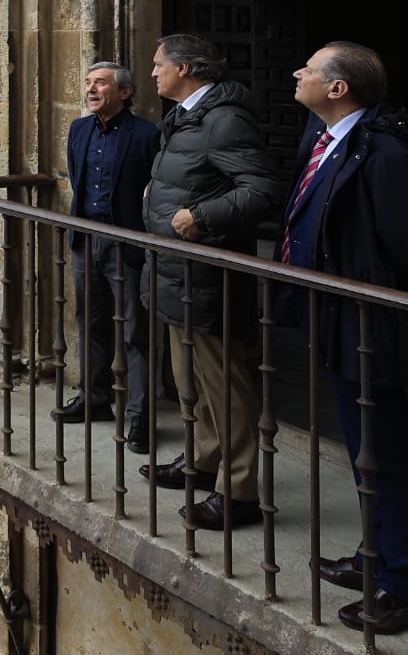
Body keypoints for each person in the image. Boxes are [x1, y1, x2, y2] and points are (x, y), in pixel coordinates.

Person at [277, 41, 408, 636]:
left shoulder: (386, 153)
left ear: (337, 89)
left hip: (371, 321)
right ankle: (375, 555)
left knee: (388, 454)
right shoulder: (325, 138)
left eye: (309, 68)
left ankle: (404, 587)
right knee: (363, 450)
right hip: (336, 317)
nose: (297, 72)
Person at [139, 33, 280, 530]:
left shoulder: (224, 119)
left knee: (224, 383)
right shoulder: (189, 116)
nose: (153, 73)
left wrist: (198, 216)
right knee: (188, 377)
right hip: (178, 270)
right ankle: (201, 460)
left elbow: (261, 188)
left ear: (187, 69)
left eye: (160, 65)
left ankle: (238, 491)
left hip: (207, 272)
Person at [53, 61, 161, 454]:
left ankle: (141, 416)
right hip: (86, 239)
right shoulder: (78, 129)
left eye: (100, 83)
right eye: (88, 83)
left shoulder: (148, 134)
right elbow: (76, 180)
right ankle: (94, 398)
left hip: (126, 243)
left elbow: (157, 188)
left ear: (125, 92)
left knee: (136, 330)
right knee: (90, 321)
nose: (91, 89)